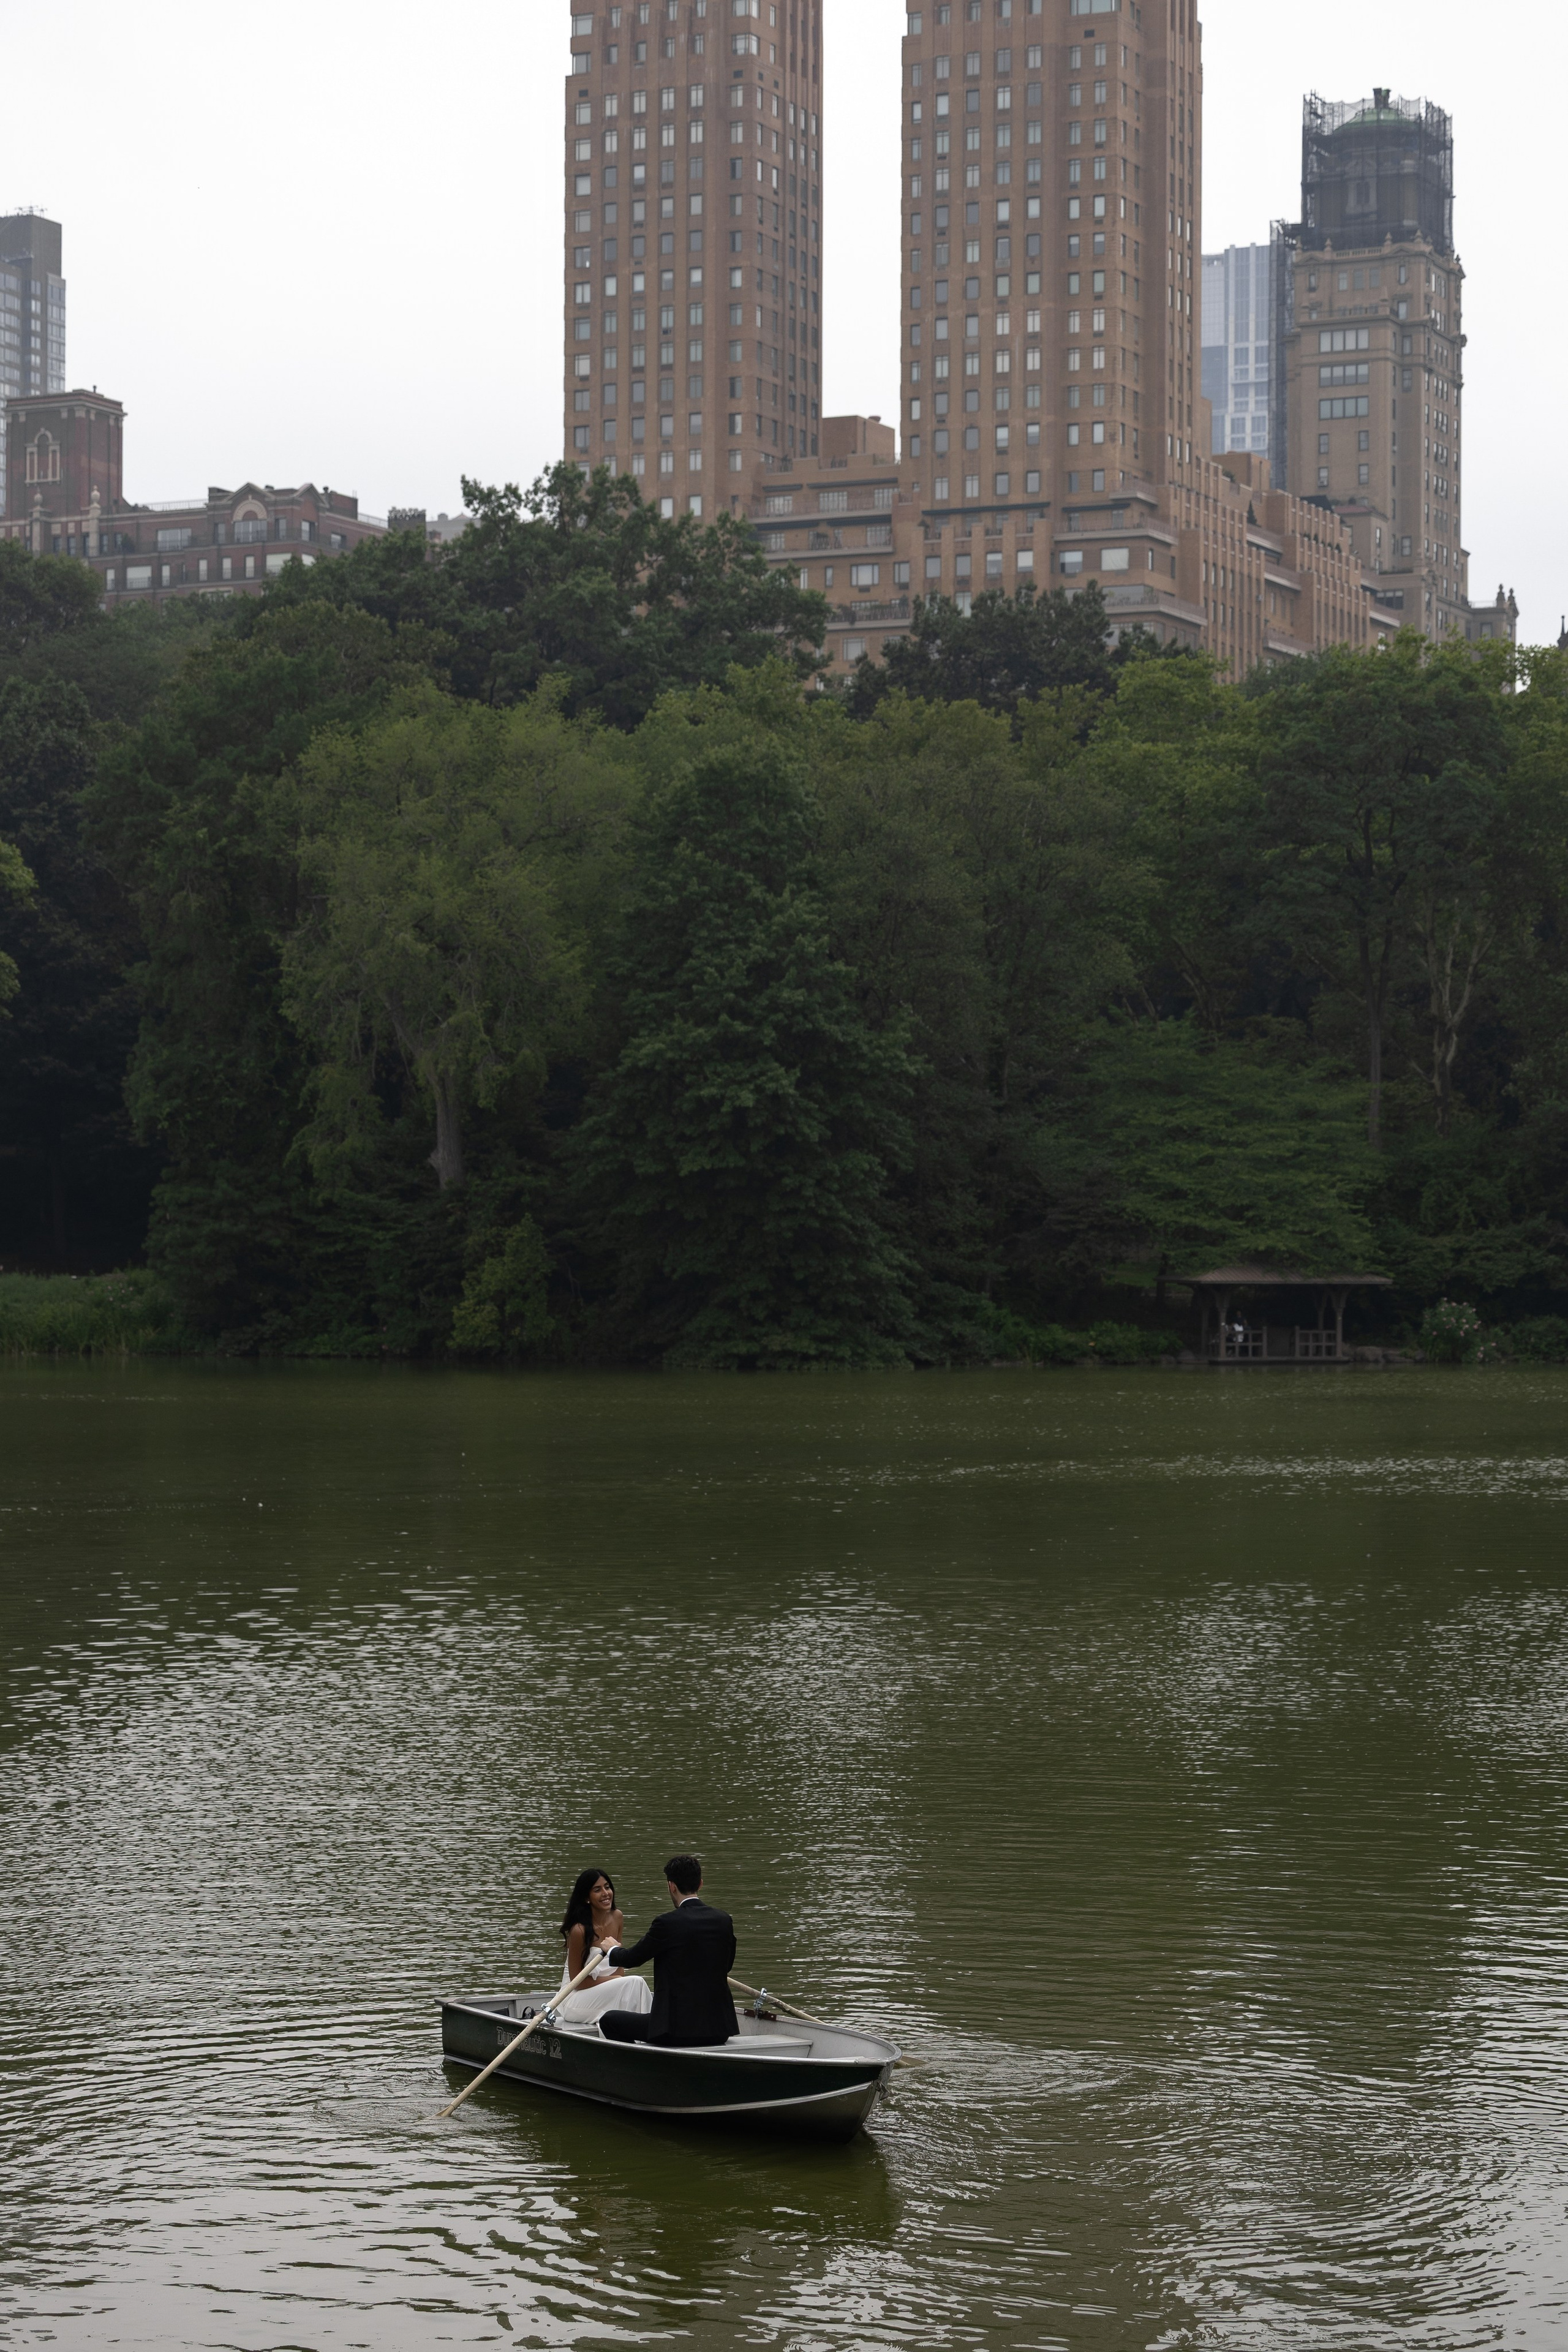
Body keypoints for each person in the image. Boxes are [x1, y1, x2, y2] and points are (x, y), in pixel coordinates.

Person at [597, 1854, 737, 2047]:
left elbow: (632, 1959)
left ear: (671, 1886)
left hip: (676, 2032)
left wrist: (612, 1949)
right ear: (701, 1884)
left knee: (609, 2020)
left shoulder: (666, 1923)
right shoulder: (724, 1920)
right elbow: (726, 1965)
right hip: (719, 2030)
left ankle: (642, 2066)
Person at [552, 1868, 654, 2029]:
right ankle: (650, 2031)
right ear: (587, 1898)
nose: (606, 1893)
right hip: (574, 1998)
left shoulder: (617, 1917)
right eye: (597, 1890)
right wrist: (615, 1980)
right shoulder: (579, 1930)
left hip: (604, 1990)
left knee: (634, 1985)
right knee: (636, 1982)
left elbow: (619, 1968)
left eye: (607, 1887)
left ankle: (645, 2035)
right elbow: (577, 1983)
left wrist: (616, 1980)